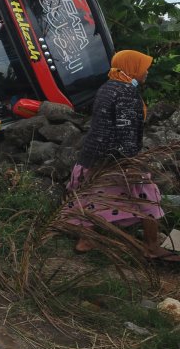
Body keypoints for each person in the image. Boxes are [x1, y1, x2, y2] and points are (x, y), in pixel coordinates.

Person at [63, 50, 167, 257]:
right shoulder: (126, 92)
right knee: (147, 197)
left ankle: (85, 240)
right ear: (132, 67)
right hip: (116, 159)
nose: (146, 72)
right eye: (143, 67)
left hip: (93, 156)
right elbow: (126, 129)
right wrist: (130, 164)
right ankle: (152, 247)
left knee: (93, 196)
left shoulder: (108, 87)